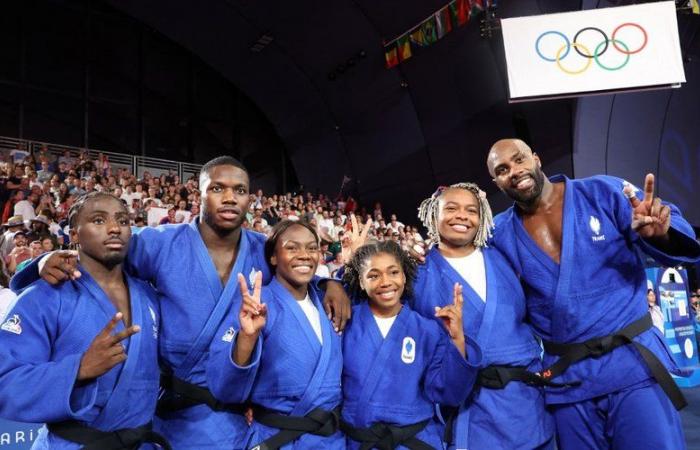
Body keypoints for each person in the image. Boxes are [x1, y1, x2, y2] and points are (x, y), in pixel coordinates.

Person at [13, 156, 351, 450]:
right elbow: (100, 251)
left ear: (251, 199)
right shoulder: (161, 242)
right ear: (199, 193)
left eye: (240, 190)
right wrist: (42, 262)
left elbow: (295, 264)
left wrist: (329, 282)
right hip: (169, 412)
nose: (230, 198)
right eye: (217, 188)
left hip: (233, 416)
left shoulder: (263, 249)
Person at [486, 138, 700, 450]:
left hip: (632, 367)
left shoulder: (603, 192)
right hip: (568, 382)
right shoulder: (500, 234)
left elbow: (669, 229)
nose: (514, 171)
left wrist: (661, 235)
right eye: (502, 170)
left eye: (519, 160)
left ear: (536, 157)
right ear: (496, 181)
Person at [0, 192, 168, 449]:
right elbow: (6, 384)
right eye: (99, 220)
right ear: (74, 234)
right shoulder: (45, 296)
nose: (114, 228)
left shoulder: (148, 295)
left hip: (141, 442)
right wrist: (78, 369)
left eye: (123, 221)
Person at [410, 183, 554, 449]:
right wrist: (332, 285)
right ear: (433, 213)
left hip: (528, 406)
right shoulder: (415, 274)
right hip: (472, 414)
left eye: (471, 210)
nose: (462, 216)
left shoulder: (503, 255)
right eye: (451, 208)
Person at [210, 220, 344, 449]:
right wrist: (247, 338)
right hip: (278, 438)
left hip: (329, 440)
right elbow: (224, 386)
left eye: (312, 248)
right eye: (292, 248)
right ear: (273, 257)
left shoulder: (329, 302)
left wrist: (335, 281)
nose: (304, 255)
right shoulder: (257, 304)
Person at [342, 238, 481, 449]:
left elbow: (449, 394)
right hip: (360, 441)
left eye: (393, 272)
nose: (386, 281)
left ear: (405, 276)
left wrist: (457, 339)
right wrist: (335, 281)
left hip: (414, 441)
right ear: (361, 282)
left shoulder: (428, 330)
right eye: (373, 275)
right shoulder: (345, 322)